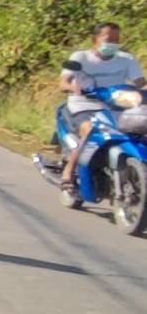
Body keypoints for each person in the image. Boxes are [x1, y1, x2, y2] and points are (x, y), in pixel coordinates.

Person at [59, 22, 145, 198]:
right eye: (108, 39)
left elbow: (140, 83)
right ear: (95, 39)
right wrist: (73, 88)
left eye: (116, 40)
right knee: (90, 129)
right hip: (84, 105)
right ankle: (68, 171)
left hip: (116, 106)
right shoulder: (81, 57)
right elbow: (64, 81)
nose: (113, 43)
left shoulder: (126, 59)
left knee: (140, 130)